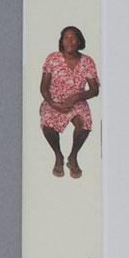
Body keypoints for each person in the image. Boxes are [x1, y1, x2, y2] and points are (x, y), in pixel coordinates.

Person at [38, 26, 99, 177]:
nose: (69, 41)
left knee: (84, 124)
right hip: (54, 99)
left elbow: (94, 90)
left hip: (77, 99)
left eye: (73, 38)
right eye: (66, 37)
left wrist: (77, 96)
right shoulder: (52, 59)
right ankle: (58, 156)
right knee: (47, 124)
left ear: (79, 41)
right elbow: (43, 87)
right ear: (61, 42)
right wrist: (53, 104)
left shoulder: (87, 61)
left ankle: (73, 157)